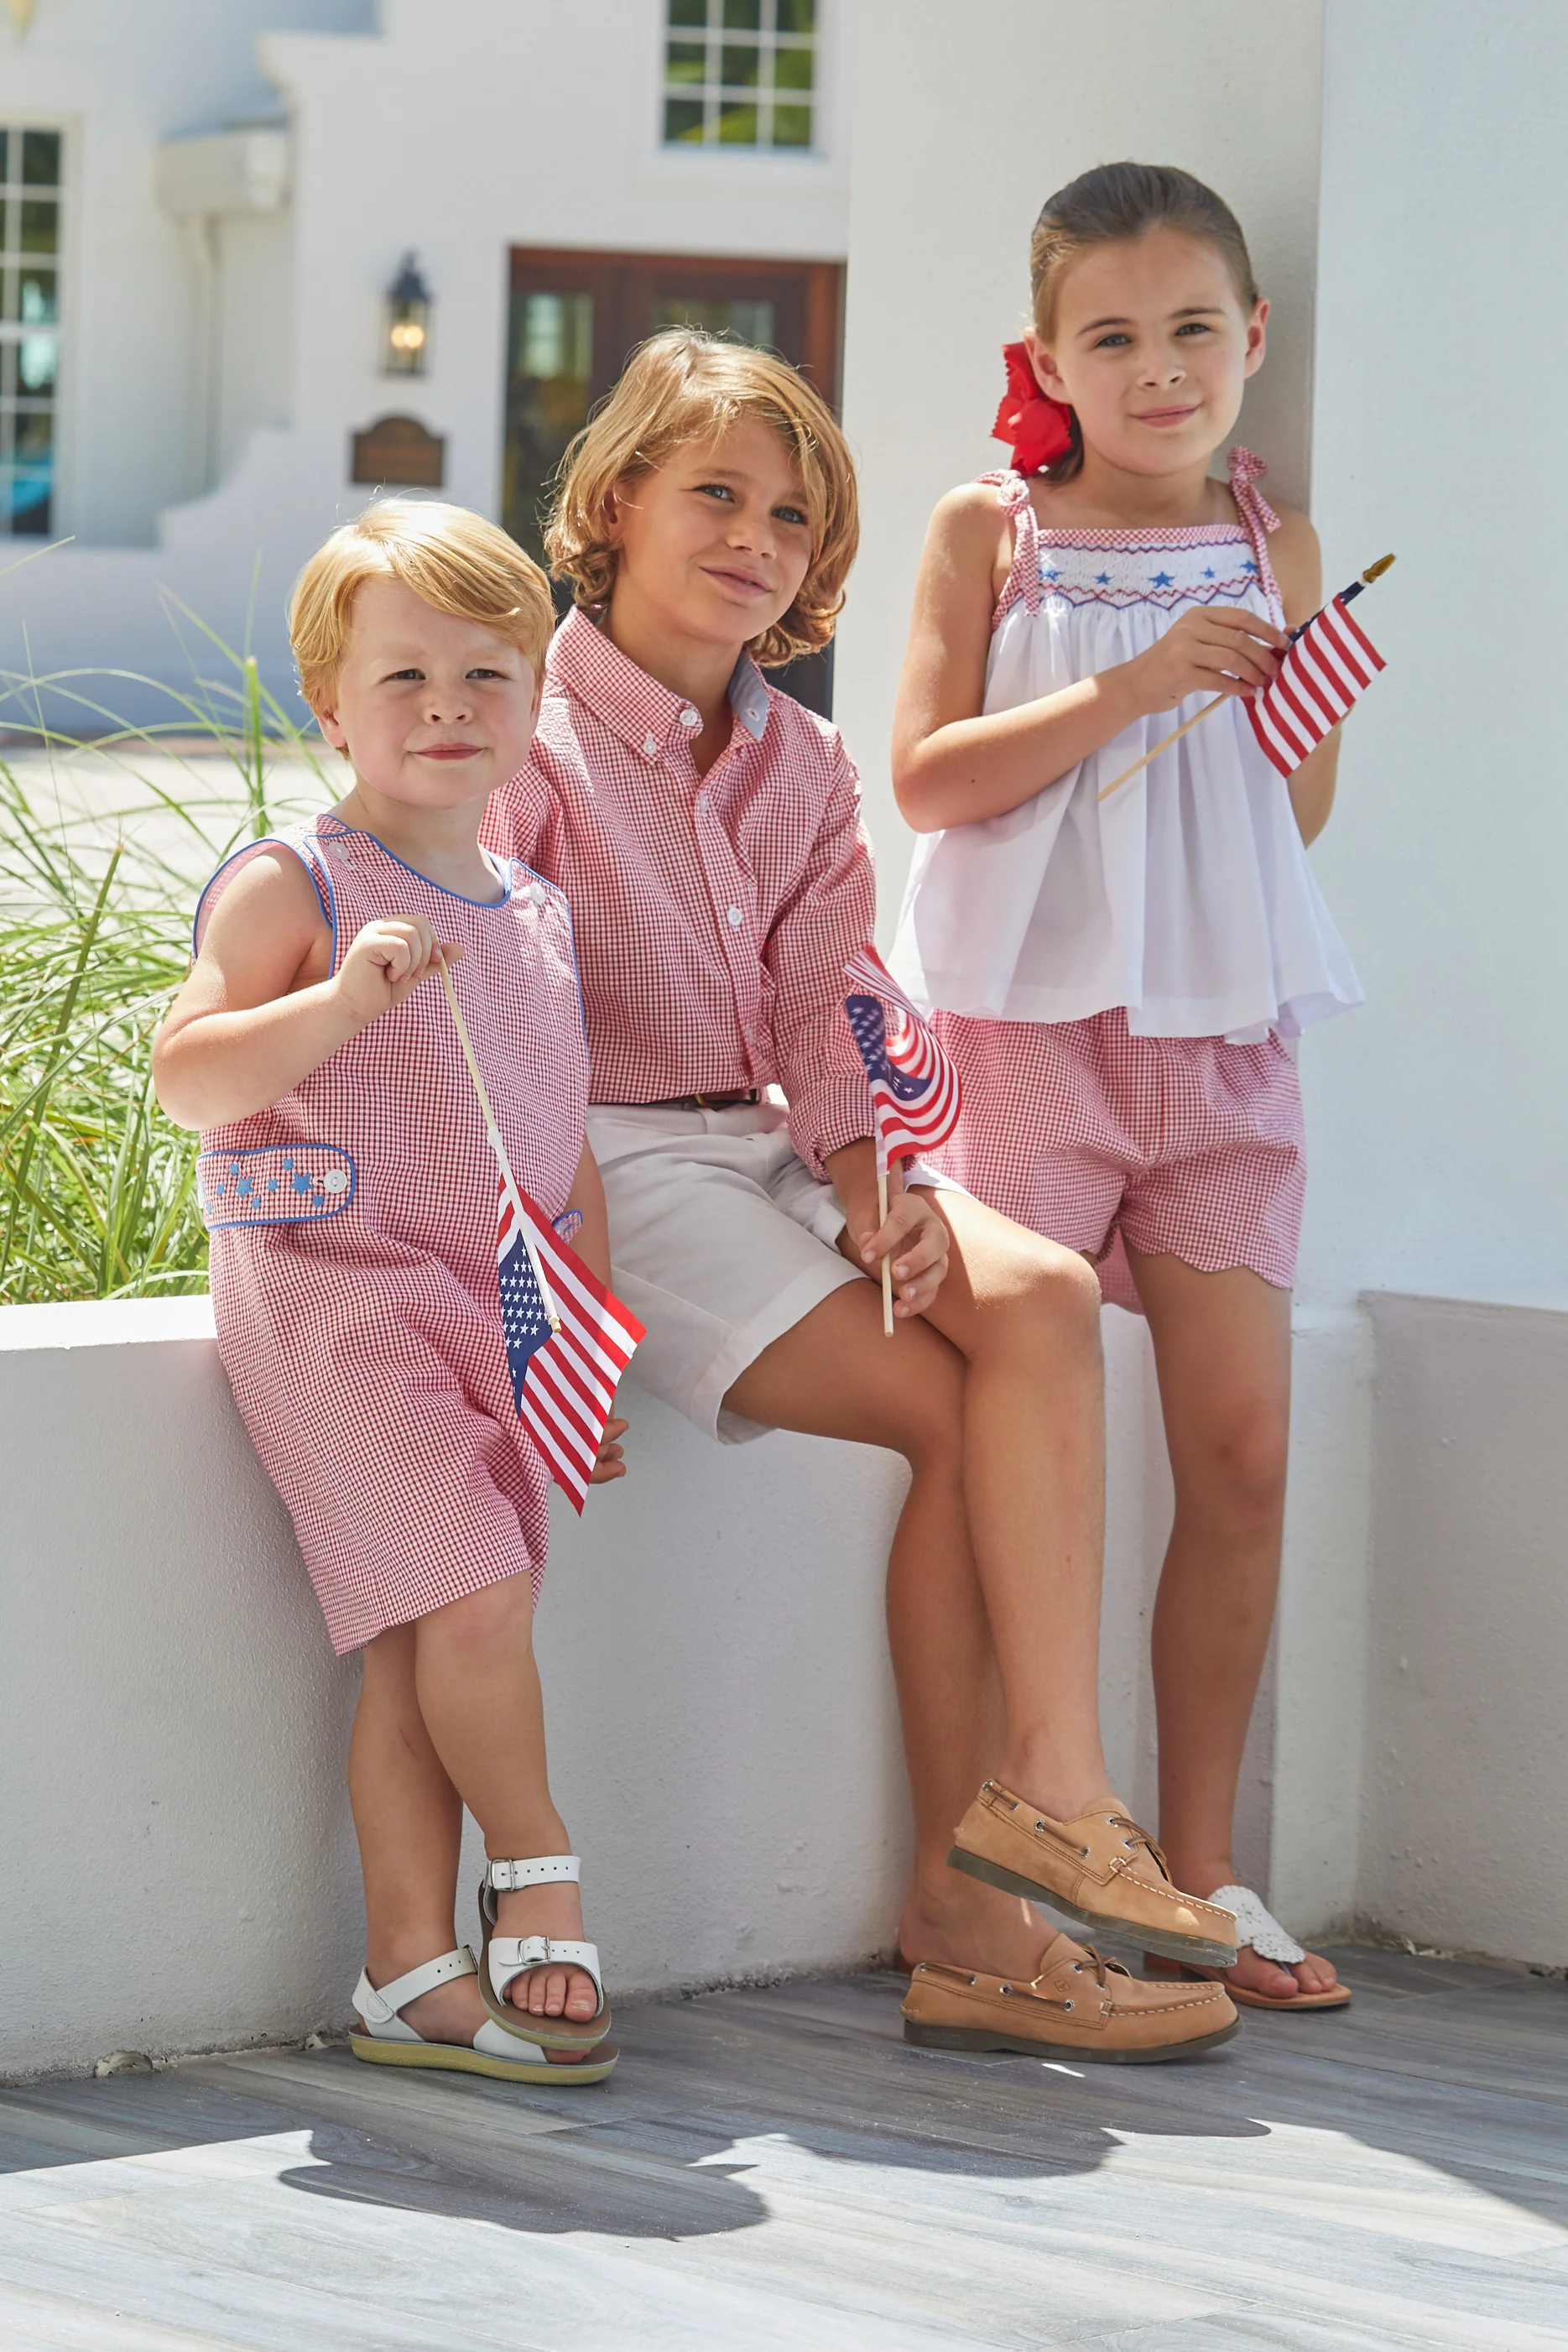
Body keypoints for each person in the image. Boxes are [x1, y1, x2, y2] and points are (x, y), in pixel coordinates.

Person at [484, 328, 1240, 2063]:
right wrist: (542, 1275)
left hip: (769, 1144)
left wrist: (872, 1181)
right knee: (955, 1420)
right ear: (615, 503)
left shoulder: (805, 772)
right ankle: (964, 1920)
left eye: (796, 515)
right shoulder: (523, 734)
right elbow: (486, 1012)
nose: (758, 538)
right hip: (615, 1172)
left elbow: (835, 1006)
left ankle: (1052, 1792)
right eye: (718, 496)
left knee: (1038, 1290)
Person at [889, 163, 1361, 2013]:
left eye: (1191, 331)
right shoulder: (989, 531)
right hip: (1029, 1038)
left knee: (1240, 1452)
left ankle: (1201, 1869)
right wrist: (1137, 681)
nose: (1157, 367)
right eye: (1113, 335)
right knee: (1029, 1423)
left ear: (1250, 341)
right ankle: (1030, 1855)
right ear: (1051, 358)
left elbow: (1298, 815)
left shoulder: (1283, 538)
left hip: (1227, 1038)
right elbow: (925, 779)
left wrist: (1273, 707)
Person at [154, 501, 628, 2084]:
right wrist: (342, 998)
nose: (445, 708)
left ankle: (408, 1965)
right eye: (405, 675)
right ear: (328, 704)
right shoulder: (300, 881)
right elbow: (187, 1072)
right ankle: (540, 1857)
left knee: (430, 1642)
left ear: (533, 700)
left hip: (488, 1316)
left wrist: (590, 1339)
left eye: (487, 677)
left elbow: (563, 1152)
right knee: (475, 1599)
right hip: (333, 1297)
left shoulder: (537, 910)